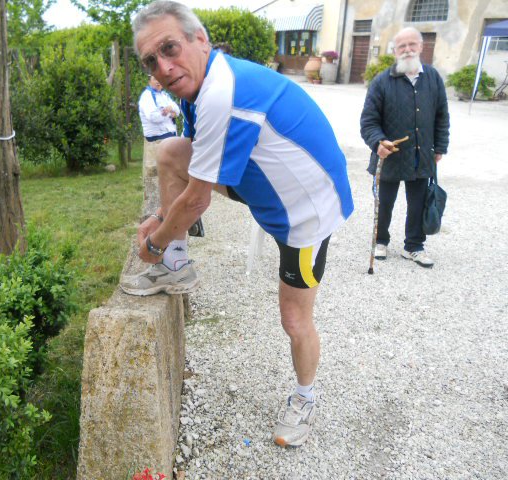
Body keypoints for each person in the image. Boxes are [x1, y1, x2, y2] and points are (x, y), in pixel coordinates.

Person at [122, 0, 354, 447]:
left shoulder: (221, 93)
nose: (163, 67)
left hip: (303, 213)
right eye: (151, 60)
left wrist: (153, 242)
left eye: (170, 48)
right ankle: (176, 266)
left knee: (294, 319)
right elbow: (193, 169)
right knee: (171, 153)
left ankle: (305, 397)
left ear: (200, 39)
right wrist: (163, 218)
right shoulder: (201, 83)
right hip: (264, 183)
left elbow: (197, 199)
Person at [360, 27, 450, 268]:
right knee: (384, 203)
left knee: (419, 203)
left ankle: (414, 246)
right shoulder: (381, 81)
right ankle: (380, 241)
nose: (408, 50)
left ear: (421, 47)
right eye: (402, 46)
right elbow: (368, 121)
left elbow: (442, 115)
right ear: (395, 51)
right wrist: (378, 141)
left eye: (412, 44)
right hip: (390, 156)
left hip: (422, 154)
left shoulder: (433, 78)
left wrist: (440, 146)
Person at [138, 74, 180, 142]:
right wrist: (170, 114)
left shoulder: (164, 95)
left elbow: (177, 110)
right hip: (157, 137)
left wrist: (170, 108)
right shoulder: (146, 96)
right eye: (155, 79)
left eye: (160, 78)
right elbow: (153, 117)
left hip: (169, 134)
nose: (158, 81)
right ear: (149, 82)